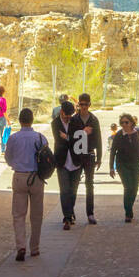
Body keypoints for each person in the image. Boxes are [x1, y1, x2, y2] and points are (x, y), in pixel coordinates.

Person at [4, 107, 50, 261]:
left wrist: (16, 165)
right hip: (37, 178)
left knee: (18, 214)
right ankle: (35, 248)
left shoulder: (13, 138)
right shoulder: (41, 138)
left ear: (20, 121)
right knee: (37, 215)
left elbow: (8, 158)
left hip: (20, 177)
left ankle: (21, 246)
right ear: (32, 120)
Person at [67, 93, 103, 225]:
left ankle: (90, 213)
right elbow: (71, 138)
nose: (83, 107)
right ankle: (70, 213)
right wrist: (83, 132)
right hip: (77, 155)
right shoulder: (74, 119)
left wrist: (99, 157)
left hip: (89, 154)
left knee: (89, 185)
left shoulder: (94, 120)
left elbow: (98, 139)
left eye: (85, 105)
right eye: (81, 104)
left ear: (89, 105)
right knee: (74, 184)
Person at [109, 113, 139, 222]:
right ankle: (128, 212)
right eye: (122, 123)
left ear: (131, 122)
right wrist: (111, 167)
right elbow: (113, 151)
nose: (124, 125)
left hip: (136, 164)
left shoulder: (137, 133)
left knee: (135, 188)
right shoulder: (119, 135)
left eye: (126, 122)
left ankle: (129, 207)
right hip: (122, 165)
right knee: (128, 187)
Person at [52, 98, 80, 230]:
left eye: (70, 115)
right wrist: (70, 139)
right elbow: (59, 140)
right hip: (62, 162)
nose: (68, 118)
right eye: (66, 115)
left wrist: (67, 138)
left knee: (73, 191)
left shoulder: (76, 122)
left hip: (75, 161)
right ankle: (67, 217)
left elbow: (78, 140)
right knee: (64, 191)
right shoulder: (55, 123)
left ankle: (70, 212)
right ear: (61, 112)